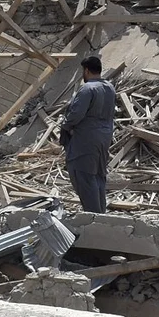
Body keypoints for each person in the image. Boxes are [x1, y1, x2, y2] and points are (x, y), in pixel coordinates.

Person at [60, 56, 117, 212]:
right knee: (98, 176)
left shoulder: (87, 89)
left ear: (86, 70)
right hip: (104, 138)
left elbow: (76, 114)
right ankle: (101, 215)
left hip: (85, 140)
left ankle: (93, 217)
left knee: (83, 176)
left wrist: (65, 125)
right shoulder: (109, 87)